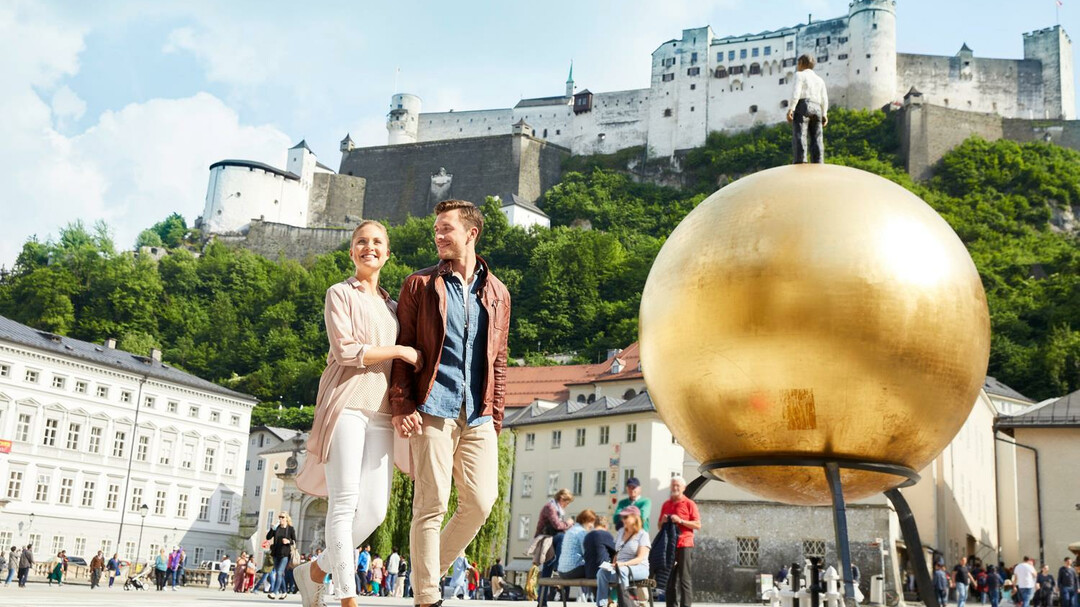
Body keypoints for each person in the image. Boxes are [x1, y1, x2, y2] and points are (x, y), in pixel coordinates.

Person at [390, 199, 512, 607]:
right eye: (436, 230)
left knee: (480, 501)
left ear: (471, 233)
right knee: (433, 502)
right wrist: (402, 405)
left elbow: (499, 358)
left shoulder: (497, 293)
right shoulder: (420, 285)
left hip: (477, 412)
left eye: (446, 229)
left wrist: (495, 416)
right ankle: (427, 596)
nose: (438, 236)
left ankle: (427, 569)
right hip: (433, 405)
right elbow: (404, 347)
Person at [294, 220, 420, 607]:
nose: (370, 247)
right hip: (346, 404)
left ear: (387, 253)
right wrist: (399, 351)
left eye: (377, 242)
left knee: (374, 511)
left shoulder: (393, 306)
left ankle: (314, 572)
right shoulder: (339, 294)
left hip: (382, 413)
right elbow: (347, 351)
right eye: (361, 242)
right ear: (352, 252)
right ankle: (346, 596)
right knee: (345, 502)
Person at [659, 476, 701, 607]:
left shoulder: (689, 504)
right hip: (669, 546)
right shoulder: (666, 504)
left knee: (684, 579)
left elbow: (698, 525)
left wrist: (681, 521)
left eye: (678, 485)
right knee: (669, 579)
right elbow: (659, 526)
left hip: (684, 544)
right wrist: (663, 521)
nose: (675, 488)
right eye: (673, 485)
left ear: (683, 488)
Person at [597, 505, 651, 607]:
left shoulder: (643, 534)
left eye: (626, 517)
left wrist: (623, 564)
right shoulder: (620, 532)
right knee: (601, 572)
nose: (623, 519)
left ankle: (624, 604)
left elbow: (640, 558)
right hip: (619, 567)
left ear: (635, 517)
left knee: (622, 571)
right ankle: (602, 604)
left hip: (639, 568)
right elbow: (617, 552)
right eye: (622, 517)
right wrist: (613, 564)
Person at [786, 54, 828, 164]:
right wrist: (825, 114)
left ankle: (801, 162)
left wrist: (791, 108)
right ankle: (818, 162)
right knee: (817, 137)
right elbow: (824, 98)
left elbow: (796, 92)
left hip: (803, 105)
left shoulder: (800, 75)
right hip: (817, 107)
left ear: (801, 63)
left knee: (800, 134)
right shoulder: (820, 80)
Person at [265, 512, 297, 599]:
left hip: (285, 554)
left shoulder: (290, 529)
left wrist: (288, 541)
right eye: (279, 517)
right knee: (280, 574)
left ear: (286, 518)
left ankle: (274, 592)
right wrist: (272, 529)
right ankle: (284, 591)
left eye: (282, 517)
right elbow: (268, 537)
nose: (281, 519)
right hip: (276, 553)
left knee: (279, 572)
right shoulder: (276, 528)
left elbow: (294, 541)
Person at [558, 510, 599, 579]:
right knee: (598, 571)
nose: (592, 525)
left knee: (589, 568)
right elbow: (587, 554)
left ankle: (589, 590)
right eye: (591, 522)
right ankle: (595, 590)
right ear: (584, 520)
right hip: (572, 571)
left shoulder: (570, 530)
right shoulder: (581, 532)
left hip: (561, 571)